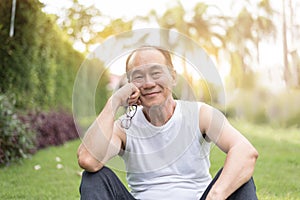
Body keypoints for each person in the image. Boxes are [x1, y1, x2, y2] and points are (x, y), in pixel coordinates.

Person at [77, 45, 259, 200]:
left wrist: (215, 196)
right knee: (94, 178)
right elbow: (88, 160)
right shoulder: (124, 127)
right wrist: (114, 101)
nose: (148, 83)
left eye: (156, 73)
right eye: (138, 76)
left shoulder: (200, 114)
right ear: (130, 84)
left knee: (240, 179)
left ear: (173, 77)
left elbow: (246, 152)